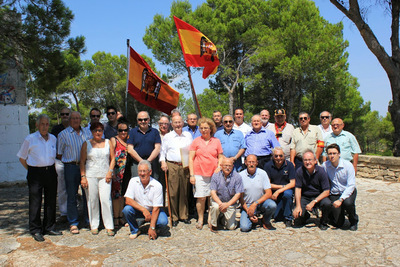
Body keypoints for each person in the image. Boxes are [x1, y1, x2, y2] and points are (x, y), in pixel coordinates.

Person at [17, 114, 61, 242]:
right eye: (42, 124)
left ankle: (49, 227)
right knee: (35, 202)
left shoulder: (53, 138)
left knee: (51, 200)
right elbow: (22, 157)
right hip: (35, 173)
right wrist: (31, 170)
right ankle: (35, 229)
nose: (45, 126)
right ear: (37, 125)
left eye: (47, 124)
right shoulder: (30, 139)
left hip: (50, 171)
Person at [57, 111, 91, 234]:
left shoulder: (87, 132)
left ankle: (88, 220)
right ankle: (73, 222)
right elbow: (59, 154)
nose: (76, 120)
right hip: (70, 167)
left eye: (78, 118)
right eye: (73, 118)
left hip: (86, 166)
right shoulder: (63, 134)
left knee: (87, 194)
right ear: (70, 120)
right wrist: (70, 162)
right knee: (71, 196)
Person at [80, 122, 115, 236]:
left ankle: (109, 226)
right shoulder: (86, 144)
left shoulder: (108, 142)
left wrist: (110, 171)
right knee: (92, 200)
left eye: (100, 130)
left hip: (105, 176)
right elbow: (82, 162)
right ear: (91, 132)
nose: (98, 132)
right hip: (91, 175)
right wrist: (83, 177)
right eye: (95, 130)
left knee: (106, 200)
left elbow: (112, 158)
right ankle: (94, 225)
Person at [189, 117, 224, 230]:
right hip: (199, 173)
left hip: (213, 173)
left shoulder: (216, 141)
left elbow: (220, 156)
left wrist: (219, 167)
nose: (204, 130)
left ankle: (210, 218)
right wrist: (192, 175)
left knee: (211, 198)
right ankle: (200, 219)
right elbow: (190, 158)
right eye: (202, 128)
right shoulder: (196, 141)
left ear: (211, 129)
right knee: (201, 197)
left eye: (206, 128)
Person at [160, 115, 193, 227]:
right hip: (172, 165)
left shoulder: (188, 135)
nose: (178, 125)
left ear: (183, 123)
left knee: (184, 191)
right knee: (173, 192)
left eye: (179, 122)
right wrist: (163, 162)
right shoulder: (168, 137)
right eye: (175, 122)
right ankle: (174, 216)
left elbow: (192, 150)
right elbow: (162, 152)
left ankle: (184, 215)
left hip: (185, 165)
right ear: (172, 124)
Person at [122, 160, 168, 240]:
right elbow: (128, 200)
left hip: (152, 210)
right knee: (127, 210)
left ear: (150, 172)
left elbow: (156, 208)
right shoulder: (133, 181)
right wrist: (143, 210)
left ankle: (155, 227)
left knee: (163, 221)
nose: (142, 174)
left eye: (144, 171)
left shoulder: (157, 185)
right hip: (138, 210)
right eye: (140, 171)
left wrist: (152, 227)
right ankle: (135, 230)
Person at [323, 143, 359, 231]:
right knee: (338, 223)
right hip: (334, 193)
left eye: (334, 153)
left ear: (339, 154)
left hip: (347, 192)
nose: (332, 156)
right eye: (330, 154)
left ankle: (353, 221)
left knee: (348, 203)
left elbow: (351, 185)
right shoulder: (325, 166)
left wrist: (341, 200)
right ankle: (339, 213)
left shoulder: (347, 166)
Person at [293, 150, 331, 230]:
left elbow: (326, 191)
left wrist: (314, 202)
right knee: (298, 219)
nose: (307, 162)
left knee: (327, 203)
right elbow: (298, 189)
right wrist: (298, 206)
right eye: (305, 160)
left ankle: (324, 222)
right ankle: (305, 216)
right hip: (305, 196)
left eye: (310, 160)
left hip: (319, 196)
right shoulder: (300, 171)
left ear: (315, 161)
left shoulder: (321, 171)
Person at [239, 155, 277, 232]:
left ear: (257, 163)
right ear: (245, 163)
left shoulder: (263, 173)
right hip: (247, 204)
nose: (251, 164)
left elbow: (269, 193)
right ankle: (252, 218)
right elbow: (240, 197)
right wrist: (248, 211)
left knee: (272, 205)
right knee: (244, 228)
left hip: (261, 202)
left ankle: (265, 220)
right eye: (249, 162)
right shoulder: (240, 176)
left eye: (253, 162)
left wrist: (255, 203)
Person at [263, 147, 295, 227]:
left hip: (286, 190)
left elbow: (292, 183)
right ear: (273, 156)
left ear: (284, 155)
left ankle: (288, 218)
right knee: (277, 217)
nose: (278, 158)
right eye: (276, 156)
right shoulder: (268, 165)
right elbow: (267, 184)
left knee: (288, 194)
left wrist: (279, 191)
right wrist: (281, 187)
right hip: (273, 191)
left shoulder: (290, 165)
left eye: (280, 156)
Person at [209, 158, 243, 232]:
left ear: (233, 166)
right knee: (215, 207)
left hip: (230, 204)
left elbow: (238, 194)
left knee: (231, 227)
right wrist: (221, 204)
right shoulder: (216, 175)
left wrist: (227, 204)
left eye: (230, 166)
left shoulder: (237, 177)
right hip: (218, 202)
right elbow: (213, 192)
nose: (227, 168)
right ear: (221, 166)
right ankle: (214, 225)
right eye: (225, 165)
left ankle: (222, 218)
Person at [127, 111, 161, 179]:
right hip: (137, 163)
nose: (143, 121)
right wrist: (142, 162)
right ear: (137, 121)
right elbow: (130, 149)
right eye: (140, 119)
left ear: (149, 120)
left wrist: (148, 162)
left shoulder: (155, 132)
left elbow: (157, 148)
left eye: (145, 119)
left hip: (152, 163)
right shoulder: (132, 132)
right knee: (137, 185)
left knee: (153, 184)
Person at [51, 107, 70, 223]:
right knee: (62, 188)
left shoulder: (76, 128)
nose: (65, 116)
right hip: (61, 161)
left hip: (75, 162)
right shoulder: (56, 129)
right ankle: (64, 212)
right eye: (62, 114)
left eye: (67, 114)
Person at [110, 119, 130, 228]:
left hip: (126, 172)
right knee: (116, 196)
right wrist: (111, 170)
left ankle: (121, 216)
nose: (123, 132)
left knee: (123, 195)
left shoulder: (129, 141)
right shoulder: (114, 140)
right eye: (120, 130)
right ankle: (115, 217)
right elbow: (111, 155)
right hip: (117, 171)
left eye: (125, 130)